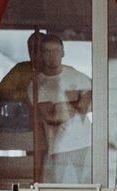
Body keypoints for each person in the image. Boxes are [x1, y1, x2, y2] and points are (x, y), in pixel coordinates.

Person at [27, 34, 92, 183]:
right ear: (41, 54)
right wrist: (77, 102)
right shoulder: (36, 85)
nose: (52, 55)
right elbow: (52, 117)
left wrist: (61, 106)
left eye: (56, 50)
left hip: (86, 142)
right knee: (58, 190)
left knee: (90, 187)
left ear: (63, 52)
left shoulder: (75, 75)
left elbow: (90, 103)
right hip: (58, 147)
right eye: (47, 51)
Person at [0, 32, 46, 102]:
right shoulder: (20, 69)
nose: (34, 52)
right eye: (30, 48)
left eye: (38, 48)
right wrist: (28, 95)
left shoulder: (57, 71)